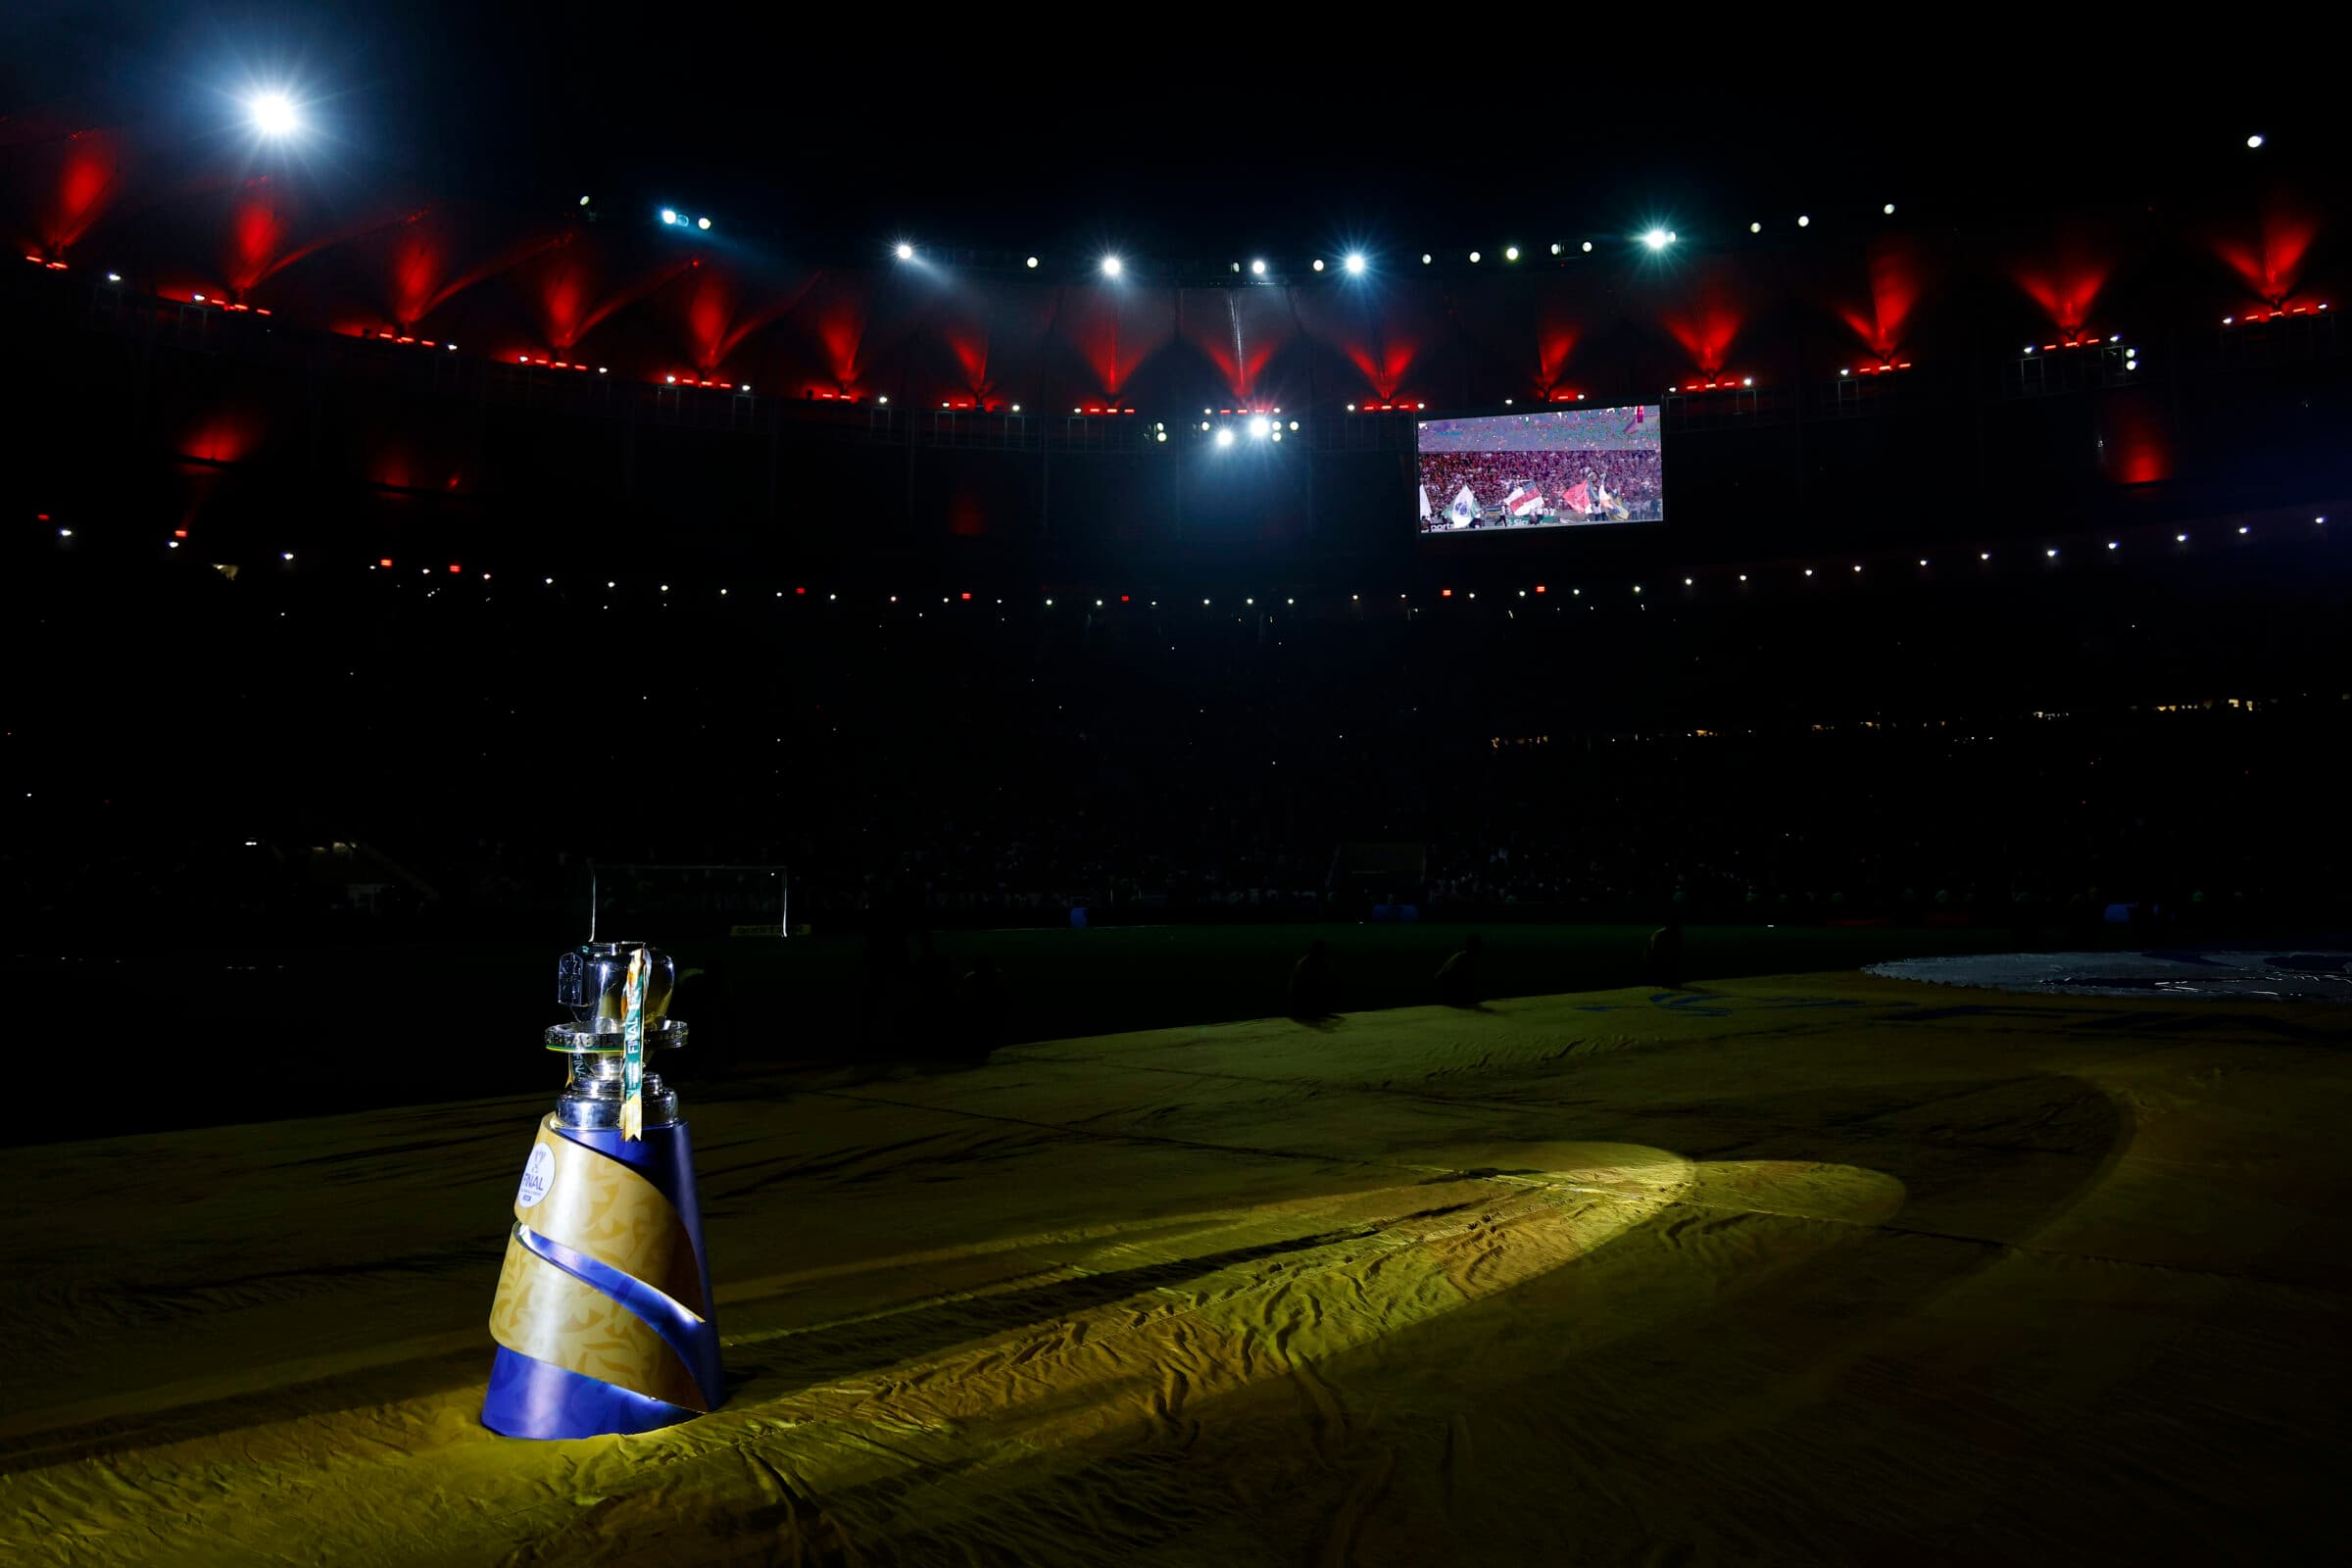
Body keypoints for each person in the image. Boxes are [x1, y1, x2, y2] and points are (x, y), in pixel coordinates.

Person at [1288, 939, 1333, 1019]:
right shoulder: (1307, 963)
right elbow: (1305, 986)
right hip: (1300, 1002)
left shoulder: (1309, 962)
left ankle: (1317, 1011)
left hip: (1300, 1000)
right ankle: (1314, 1012)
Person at [1435, 933, 1483, 1007]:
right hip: (1445, 986)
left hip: (1446, 985)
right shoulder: (1463, 958)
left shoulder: (1464, 957)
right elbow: (1448, 976)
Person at [1647, 916, 1685, 990]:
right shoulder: (1662, 934)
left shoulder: (1675, 933)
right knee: (1666, 967)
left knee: (1670, 967)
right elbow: (1653, 948)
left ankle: (1669, 981)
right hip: (1661, 956)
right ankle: (1666, 982)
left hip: (1665, 955)